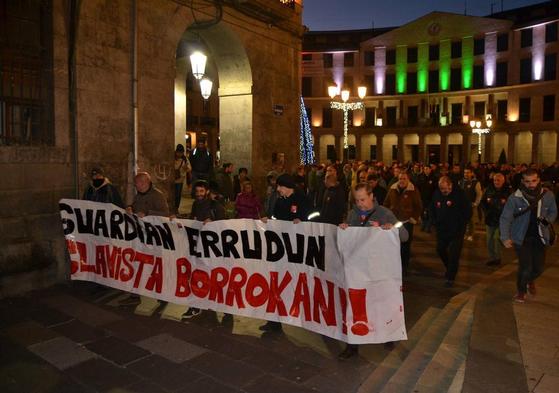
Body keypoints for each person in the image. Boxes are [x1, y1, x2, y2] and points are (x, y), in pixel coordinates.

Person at [338, 182, 408, 359]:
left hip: (379, 270)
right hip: (357, 269)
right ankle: (352, 345)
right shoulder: (353, 214)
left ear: (371, 197)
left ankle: (388, 334)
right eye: (357, 200)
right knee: (354, 306)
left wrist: (392, 229)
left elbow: (405, 235)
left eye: (362, 199)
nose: (360, 203)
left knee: (382, 302)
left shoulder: (385, 213)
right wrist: (344, 228)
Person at [259, 173, 311, 333]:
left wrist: (302, 222)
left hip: (296, 248)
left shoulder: (301, 198)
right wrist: (269, 220)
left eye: (280, 186)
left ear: (286, 186)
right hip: (280, 246)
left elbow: (312, 217)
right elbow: (275, 216)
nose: (278, 189)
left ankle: (305, 315)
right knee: (276, 282)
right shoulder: (280, 200)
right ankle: (274, 320)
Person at [500, 169, 557, 303]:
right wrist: (505, 237)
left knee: (538, 269)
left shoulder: (548, 195)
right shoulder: (515, 198)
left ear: (539, 180)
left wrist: (546, 221)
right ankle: (521, 291)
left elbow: (553, 211)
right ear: (522, 182)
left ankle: (530, 280)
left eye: (534, 181)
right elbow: (505, 218)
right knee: (525, 267)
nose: (531, 184)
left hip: (540, 237)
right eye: (527, 181)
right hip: (521, 237)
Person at [429, 176, 471, 288]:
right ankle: (450, 267)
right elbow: (432, 208)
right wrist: (433, 221)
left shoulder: (460, 195)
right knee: (440, 249)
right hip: (442, 229)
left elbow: (467, 210)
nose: (443, 191)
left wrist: (461, 224)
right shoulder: (437, 194)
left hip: (456, 230)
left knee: (454, 254)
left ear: (450, 185)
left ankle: (450, 277)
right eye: (441, 189)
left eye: (445, 188)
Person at [384, 172, 423, 275]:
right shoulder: (392, 189)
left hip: (406, 221)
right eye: (400, 178)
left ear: (408, 179)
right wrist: (387, 215)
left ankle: (404, 266)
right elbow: (386, 203)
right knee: (394, 244)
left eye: (404, 179)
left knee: (405, 244)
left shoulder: (413, 190)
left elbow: (418, 206)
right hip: (393, 221)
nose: (402, 181)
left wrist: (413, 217)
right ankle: (393, 265)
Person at [480, 173, 511, 266]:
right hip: (490, 218)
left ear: (503, 181)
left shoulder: (508, 191)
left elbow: (511, 205)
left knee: (497, 239)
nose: (496, 182)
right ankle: (492, 257)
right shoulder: (489, 189)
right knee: (489, 240)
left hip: (502, 220)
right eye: (494, 180)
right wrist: (486, 212)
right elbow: (483, 202)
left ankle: (497, 258)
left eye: (498, 180)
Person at [459, 167, 482, 241]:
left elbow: (479, 194)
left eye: (468, 172)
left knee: (471, 220)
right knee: (463, 220)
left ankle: (471, 234)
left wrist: (476, 203)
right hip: (462, 205)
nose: (466, 174)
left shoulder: (476, 182)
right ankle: (465, 233)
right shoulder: (461, 182)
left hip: (471, 204)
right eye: (465, 172)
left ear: (472, 173)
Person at [174, 144, 190, 214]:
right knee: (173, 195)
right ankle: (172, 207)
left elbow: (189, 169)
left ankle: (176, 208)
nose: (180, 154)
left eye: (181, 152)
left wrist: (185, 168)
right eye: (178, 152)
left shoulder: (185, 159)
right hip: (172, 180)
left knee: (178, 195)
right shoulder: (172, 158)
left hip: (180, 180)